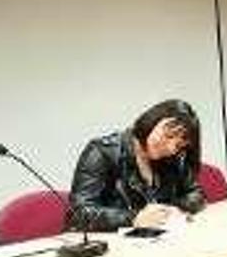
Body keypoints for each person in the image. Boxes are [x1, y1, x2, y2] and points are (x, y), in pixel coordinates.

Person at [69, 99, 204, 232]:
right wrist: (133, 218)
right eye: (168, 136)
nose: (170, 148)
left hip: (157, 239)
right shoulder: (101, 152)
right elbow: (79, 214)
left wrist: (173, 209)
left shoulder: (171, 158)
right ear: (152, 120)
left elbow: (196, 194)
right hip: (114, 245)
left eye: (179, 145)